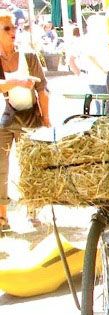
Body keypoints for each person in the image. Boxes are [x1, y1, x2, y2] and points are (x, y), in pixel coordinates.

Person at [0, 11, 50, 230]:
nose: (13, 31)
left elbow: (43, 90)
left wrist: (46, 118)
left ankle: (33, 212)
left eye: (13, 27)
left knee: (30, 167)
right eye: (7, 28)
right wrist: (18, 82)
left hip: (30, 118)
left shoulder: (28, 57)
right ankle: (2, 218)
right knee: (1, 169)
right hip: (5, 119)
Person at [80, 15, 109, 114]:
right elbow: (90, 57)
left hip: (99, 78)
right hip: (102, 78)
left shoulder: (91, 38)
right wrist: (103, 69)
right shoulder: (96, 38)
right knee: (107, 108)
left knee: (104, 107)